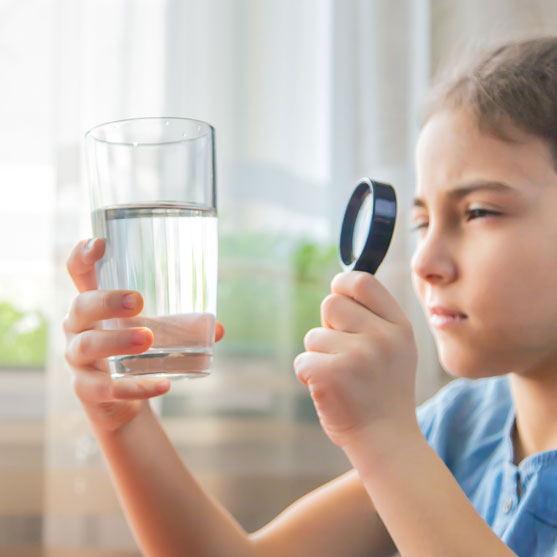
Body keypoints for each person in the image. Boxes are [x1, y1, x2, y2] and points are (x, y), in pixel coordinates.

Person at [63, 36, 557, 556]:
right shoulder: (459, 426)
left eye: (479, 212)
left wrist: (384, 436)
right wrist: (121, 421)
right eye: (422, 220)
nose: (423, 263)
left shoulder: (412, 441)